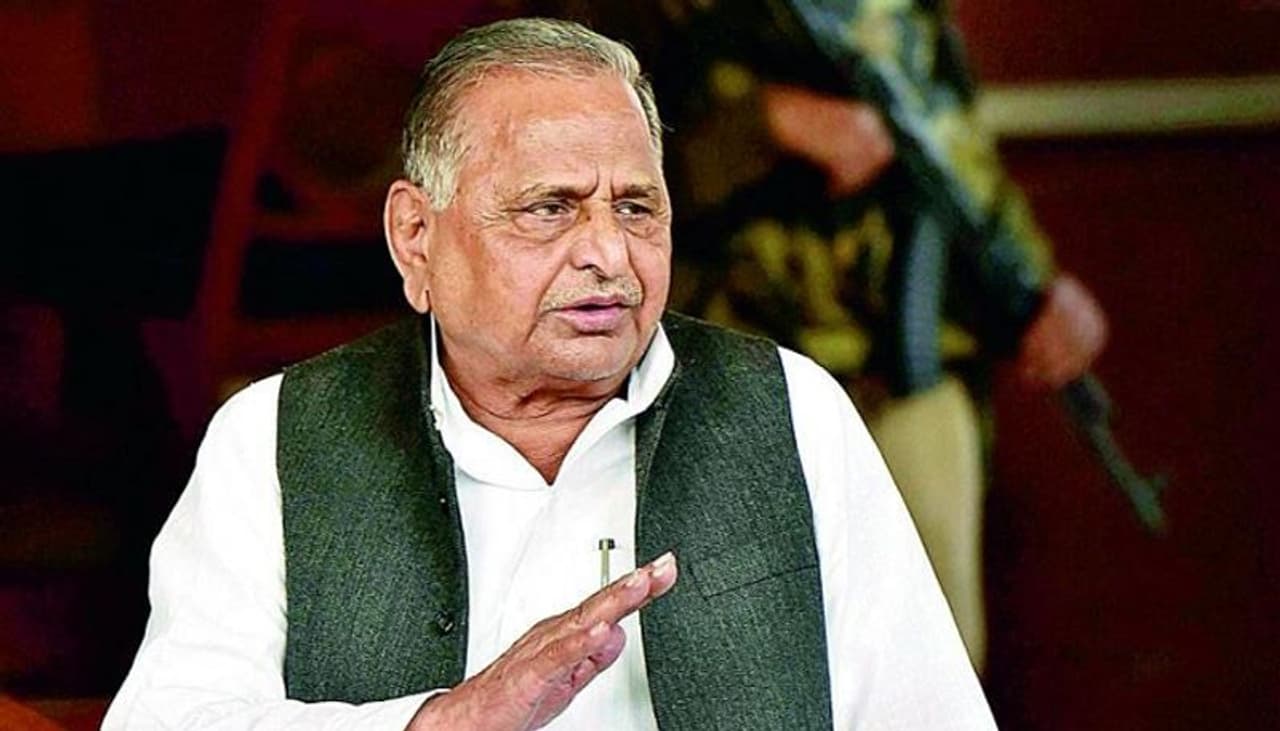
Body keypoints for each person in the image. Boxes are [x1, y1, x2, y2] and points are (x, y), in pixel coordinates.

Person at [103, 18, 994, 729]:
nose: (608, 253)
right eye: (550, 208)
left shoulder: (788, 412)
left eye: (636, 207)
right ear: (416, 237)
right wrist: (444, 722)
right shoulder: (277, 436)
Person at [533, 1, 1107, 673]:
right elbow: (555, 181)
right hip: (725, 384)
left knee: (932, 662)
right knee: (744, 660)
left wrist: (1035, 284)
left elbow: (952, 141)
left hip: (909, 373)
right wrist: (759, 127)